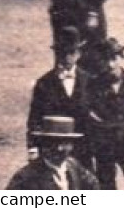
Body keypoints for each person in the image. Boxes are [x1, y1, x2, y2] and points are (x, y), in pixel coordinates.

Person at [79, 38, 124, 189]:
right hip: (105, 144)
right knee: (106, 186)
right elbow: (90, 113)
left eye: (113, 58)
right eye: (105, 59)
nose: (110, 64)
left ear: (121, 57)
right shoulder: (94, 83)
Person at [27, 27, 90, 163]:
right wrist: (33, 147)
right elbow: (35, 118)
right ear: (57, 54)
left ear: (79, 54)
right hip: (53, 147)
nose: (67, 57)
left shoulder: (89, 80)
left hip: (84, 148)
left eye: (71, 52)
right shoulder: (44, 83)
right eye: (63, 52)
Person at [8, 117, 99, 191]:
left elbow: (94, 188)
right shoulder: (26, 177)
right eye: (54, 143)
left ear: (72, 146)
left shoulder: (74, 167)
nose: (59, 149)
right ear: (43, 145)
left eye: (65, 143)